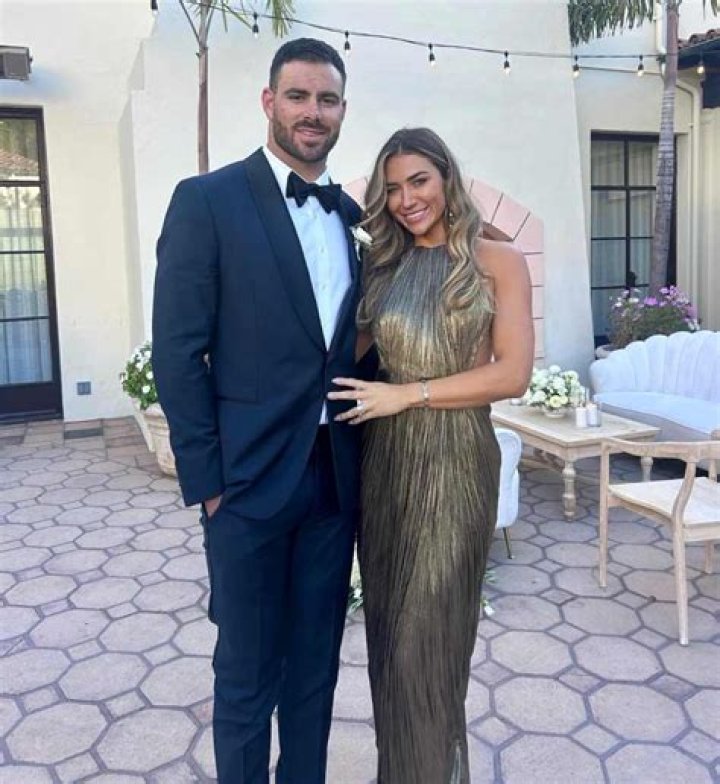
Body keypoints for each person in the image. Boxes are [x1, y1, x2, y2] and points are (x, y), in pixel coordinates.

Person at [152, 38, 365, 784]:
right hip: (244, 487)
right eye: (298, 96)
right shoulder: (207, 201)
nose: (313, 112)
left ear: (342, 111)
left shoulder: (355, 217)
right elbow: (177, 353)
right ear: (269, 102)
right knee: (246, 675)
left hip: (334, 482)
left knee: (315, 671)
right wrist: (209, 484)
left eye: (327, 99)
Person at [327, 127, 534, 783]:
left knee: (430, 648)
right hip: (385, 467)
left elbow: (512, 375)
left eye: (418, 180)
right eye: (392, 189)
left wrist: (407, 394)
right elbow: (343, 354)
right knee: (390, 645)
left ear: (447, 176)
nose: (407, 199)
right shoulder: (383, 267)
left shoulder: (497, 261)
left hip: (456, 463)